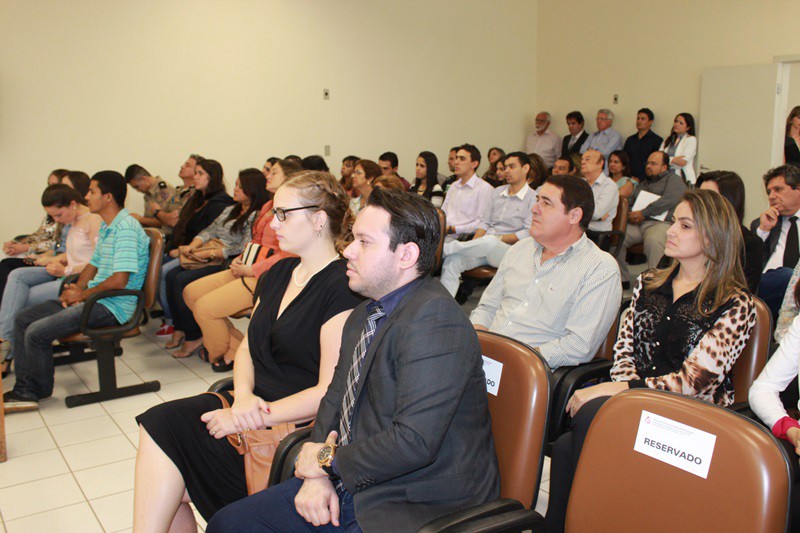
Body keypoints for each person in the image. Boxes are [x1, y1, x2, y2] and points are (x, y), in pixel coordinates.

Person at [206, 187, 500, 533]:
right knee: (229, 523)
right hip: (358, 474)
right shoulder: (366, 311)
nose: (347, 250)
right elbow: (335, 398)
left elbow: (413, 442)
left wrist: (326, 462)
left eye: (364, 242)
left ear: (406, 255)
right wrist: (318, 473)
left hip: (416, 499)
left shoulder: (435, 322)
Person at [132, 171, 362, 530]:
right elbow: (248, 349)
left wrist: (250, 415)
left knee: (171, 464)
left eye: (283, 213)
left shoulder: (342, 287)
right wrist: (241, 397)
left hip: (289, 425)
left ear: (319, 219)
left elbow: (327, 393)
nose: (273, 222)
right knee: (161, 424)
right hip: (250, 406)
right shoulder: (279, 272)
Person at [546, 188, 757, 533]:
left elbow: (693, 383)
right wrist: (625, 394)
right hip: (635, 403)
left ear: (713, 237)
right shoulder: (648, 283)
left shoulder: (735, 303)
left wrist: (620, 392)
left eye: (685, 225)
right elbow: (624, 350)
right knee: (569, 446)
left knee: (586, 421)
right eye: (674, 221)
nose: (670, 231)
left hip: (693, 419)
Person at [3, 171, 150, 412]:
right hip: (95, 299)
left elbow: (119, 281)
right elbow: (94, 264)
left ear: (108, 197)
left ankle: (29, 391)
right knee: (23, 319)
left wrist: (81, 296)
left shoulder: (125, 229)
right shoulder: (109, 226)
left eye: (92, 191)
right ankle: (30, 388)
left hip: (111, 306)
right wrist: (77, 287)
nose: (86, 196)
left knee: (36, 332)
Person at [470, 175, 621, 369]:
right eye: (537, 200)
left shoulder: (599, 269)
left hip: (530, 370)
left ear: (574, 216)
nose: (534, 209)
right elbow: (487, 308)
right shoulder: (520, 249)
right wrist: (477, 343)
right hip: (485, 359)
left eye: (546, 203)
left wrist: (513, 362)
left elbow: (577, 346)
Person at [183, 160, 302, 371]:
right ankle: (239, 351)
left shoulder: (293, 210)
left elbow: (288, 254)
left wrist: (253, 269)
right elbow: (255, 241)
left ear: (289, 178)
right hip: (250, 266)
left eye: (274, 172)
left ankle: (220, 353)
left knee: (205, 309)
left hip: (268, 276)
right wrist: (241, 258)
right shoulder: (267, 205)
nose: (267, 176)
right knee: (190, 293)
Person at [167, 169, 267, 358]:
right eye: (236, 184)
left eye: (240, 186)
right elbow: (210, 230)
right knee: (173, 277)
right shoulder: (232, 209)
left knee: (182, 282)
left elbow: (244, 246)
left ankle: (199, 338)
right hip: (212, 255)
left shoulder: (256, 215)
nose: (235, 189)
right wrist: (194, 246)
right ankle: (188, 331)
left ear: (252, 189)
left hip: (228, 260)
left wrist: (212, 253)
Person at [0, 185, 102, 369]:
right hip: (66, 271)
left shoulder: (93, 220)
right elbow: (76, 252)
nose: (56, 220)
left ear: (73, 204)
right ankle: (4, 345)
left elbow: (97, 262)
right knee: (16, 275)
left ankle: (6, 353)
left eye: (58, 215)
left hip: (77, 279)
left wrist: (66, 271)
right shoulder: (73, 220)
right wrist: (54, 258)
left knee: (20, 299)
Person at [158, 159, 234, 347]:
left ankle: (181, 327)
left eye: (200, 173)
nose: (195, 176)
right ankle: (178, 325)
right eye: (196, 172)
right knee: (160, 269)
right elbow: (187, 228)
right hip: (189, 249)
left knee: (170, 274)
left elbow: (213, 236)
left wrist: (185, 250)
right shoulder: (197, 198)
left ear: (212, 177)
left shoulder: (221, 203)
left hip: (206, 255)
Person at [439, 151, 537, 296]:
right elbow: (484, 223)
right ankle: (443, 306)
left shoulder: (533, 197)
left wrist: (496, 239)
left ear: (525, 168)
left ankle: (443, 249)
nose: (507, 171)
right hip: (485, 246)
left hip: (510, 251)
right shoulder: (496, 192)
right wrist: (475, 244)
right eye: (505, 167)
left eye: (512, 167)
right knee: (452, 261)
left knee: (491, 241)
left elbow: (527, 232)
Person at [616, 151, 687, 285]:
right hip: (639, 223)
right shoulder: (643, 183)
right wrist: (631, 214)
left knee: (654, 240)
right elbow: (630, 202)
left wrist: (644, 212)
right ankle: (622, 279)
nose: (648, 166)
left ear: (664, 167)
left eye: (653, 164)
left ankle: (655, 283)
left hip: (661, 224)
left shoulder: (673, 180)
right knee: (618, 235)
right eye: (647, 163)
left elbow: (670, 200)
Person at [696, 171, 763, 293]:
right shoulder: (688, 233)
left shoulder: (750, 245)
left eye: (709, 198)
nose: (701, 204)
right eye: (699, 197)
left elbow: (744, 292)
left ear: (730, 202)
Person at [752, 164, 800, 324]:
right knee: (785, 276)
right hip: (766, 288)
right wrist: (763, 231)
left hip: (796, 291)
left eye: (778, 189)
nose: (772, 196)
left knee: (791, 277)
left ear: (798, 189)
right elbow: (747, 263)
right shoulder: (762, 223)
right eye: (769, 192)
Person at [440, 143, 494, 240]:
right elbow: (442, 214)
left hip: (463, 238)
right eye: (456, 158)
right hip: (443, 234)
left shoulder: (484, 188)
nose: (456, 162)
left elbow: (481, 224)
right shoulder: (453, 186)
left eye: (462, 159)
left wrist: (453, 229)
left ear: (474, 164)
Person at [124, 164, 176, 229]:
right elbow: (149, 218)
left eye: (137, 187)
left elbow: (166, 222)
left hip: (164, 234)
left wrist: (140, 219)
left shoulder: (164, 190)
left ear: (144, 179)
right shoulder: (148, 192)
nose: (137, 190)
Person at [580, 149, 619, 233]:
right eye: (582, 159)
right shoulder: (580, 182)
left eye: (587, 159)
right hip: (577, 229)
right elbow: (566, 206)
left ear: (600, 163)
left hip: (596, 233)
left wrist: (576, 210)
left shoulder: (609, 186)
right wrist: (597, 218)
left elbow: (596, 214)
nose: (582, 162)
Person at [622, 107, 663, 180]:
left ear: (650, 122)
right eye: (638, 118)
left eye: (643, 119)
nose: (639, 121)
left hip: (648, 179)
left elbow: (656, 164)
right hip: (628, 178)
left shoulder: (657, 140)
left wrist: (640, 178)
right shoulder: (630, 140)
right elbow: (624, 160)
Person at [659, 113, 698, 184]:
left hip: (682, 178)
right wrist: (673, 160)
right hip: (666, 177)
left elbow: (682, 162)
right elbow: (659, 158)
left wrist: (667, 160)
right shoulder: (668, 139)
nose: (677, 124)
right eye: (676, 121)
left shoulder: (691, 140)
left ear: (688, 127)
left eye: (681, 123)